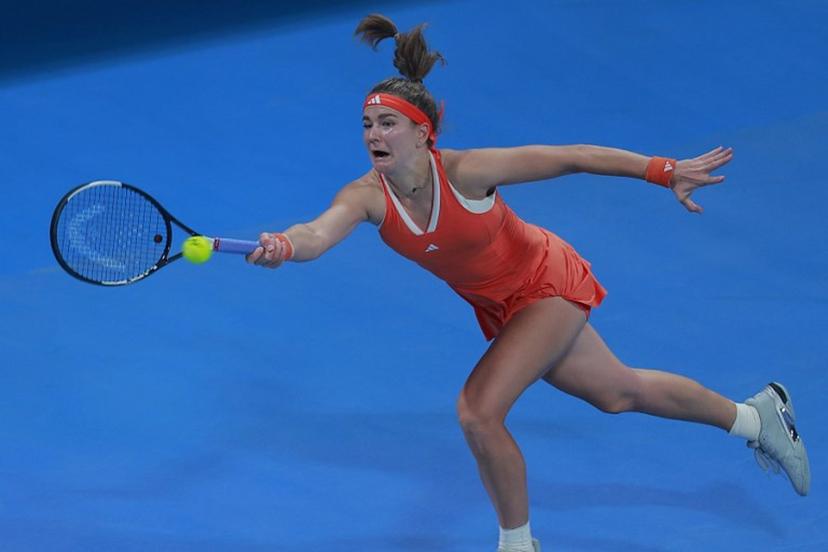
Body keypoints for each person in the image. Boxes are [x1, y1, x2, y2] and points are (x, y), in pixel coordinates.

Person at [246, 14, 810, 552]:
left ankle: (517, 544)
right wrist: (284, 247)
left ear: (423, 133)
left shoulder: (467, 172)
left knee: (477, 411)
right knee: (618, 393)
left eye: (387, 123)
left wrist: (664, 171)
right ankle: (755, 417)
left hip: (547, 283)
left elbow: (572, 157)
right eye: (367, 125)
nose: (373, 134)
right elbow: (315, 233)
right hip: (506, 309)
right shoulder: (365, 196)